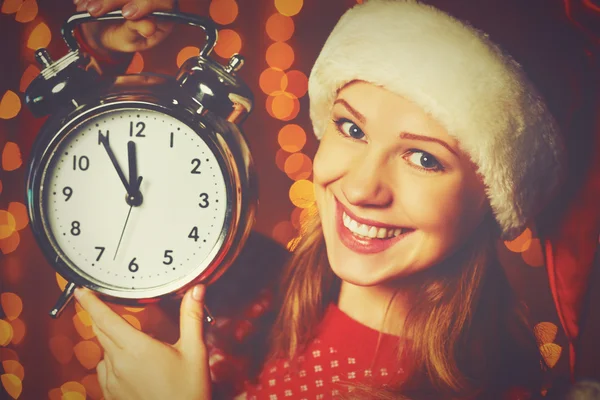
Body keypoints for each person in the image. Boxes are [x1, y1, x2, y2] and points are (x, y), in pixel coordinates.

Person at [69, 0, 600, 399]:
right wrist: (104, 50)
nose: (363, 187)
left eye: (424, 158)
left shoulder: (488, 389)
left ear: (493, 192)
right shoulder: (258, 287)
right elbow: (93, 187)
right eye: (351, 127)